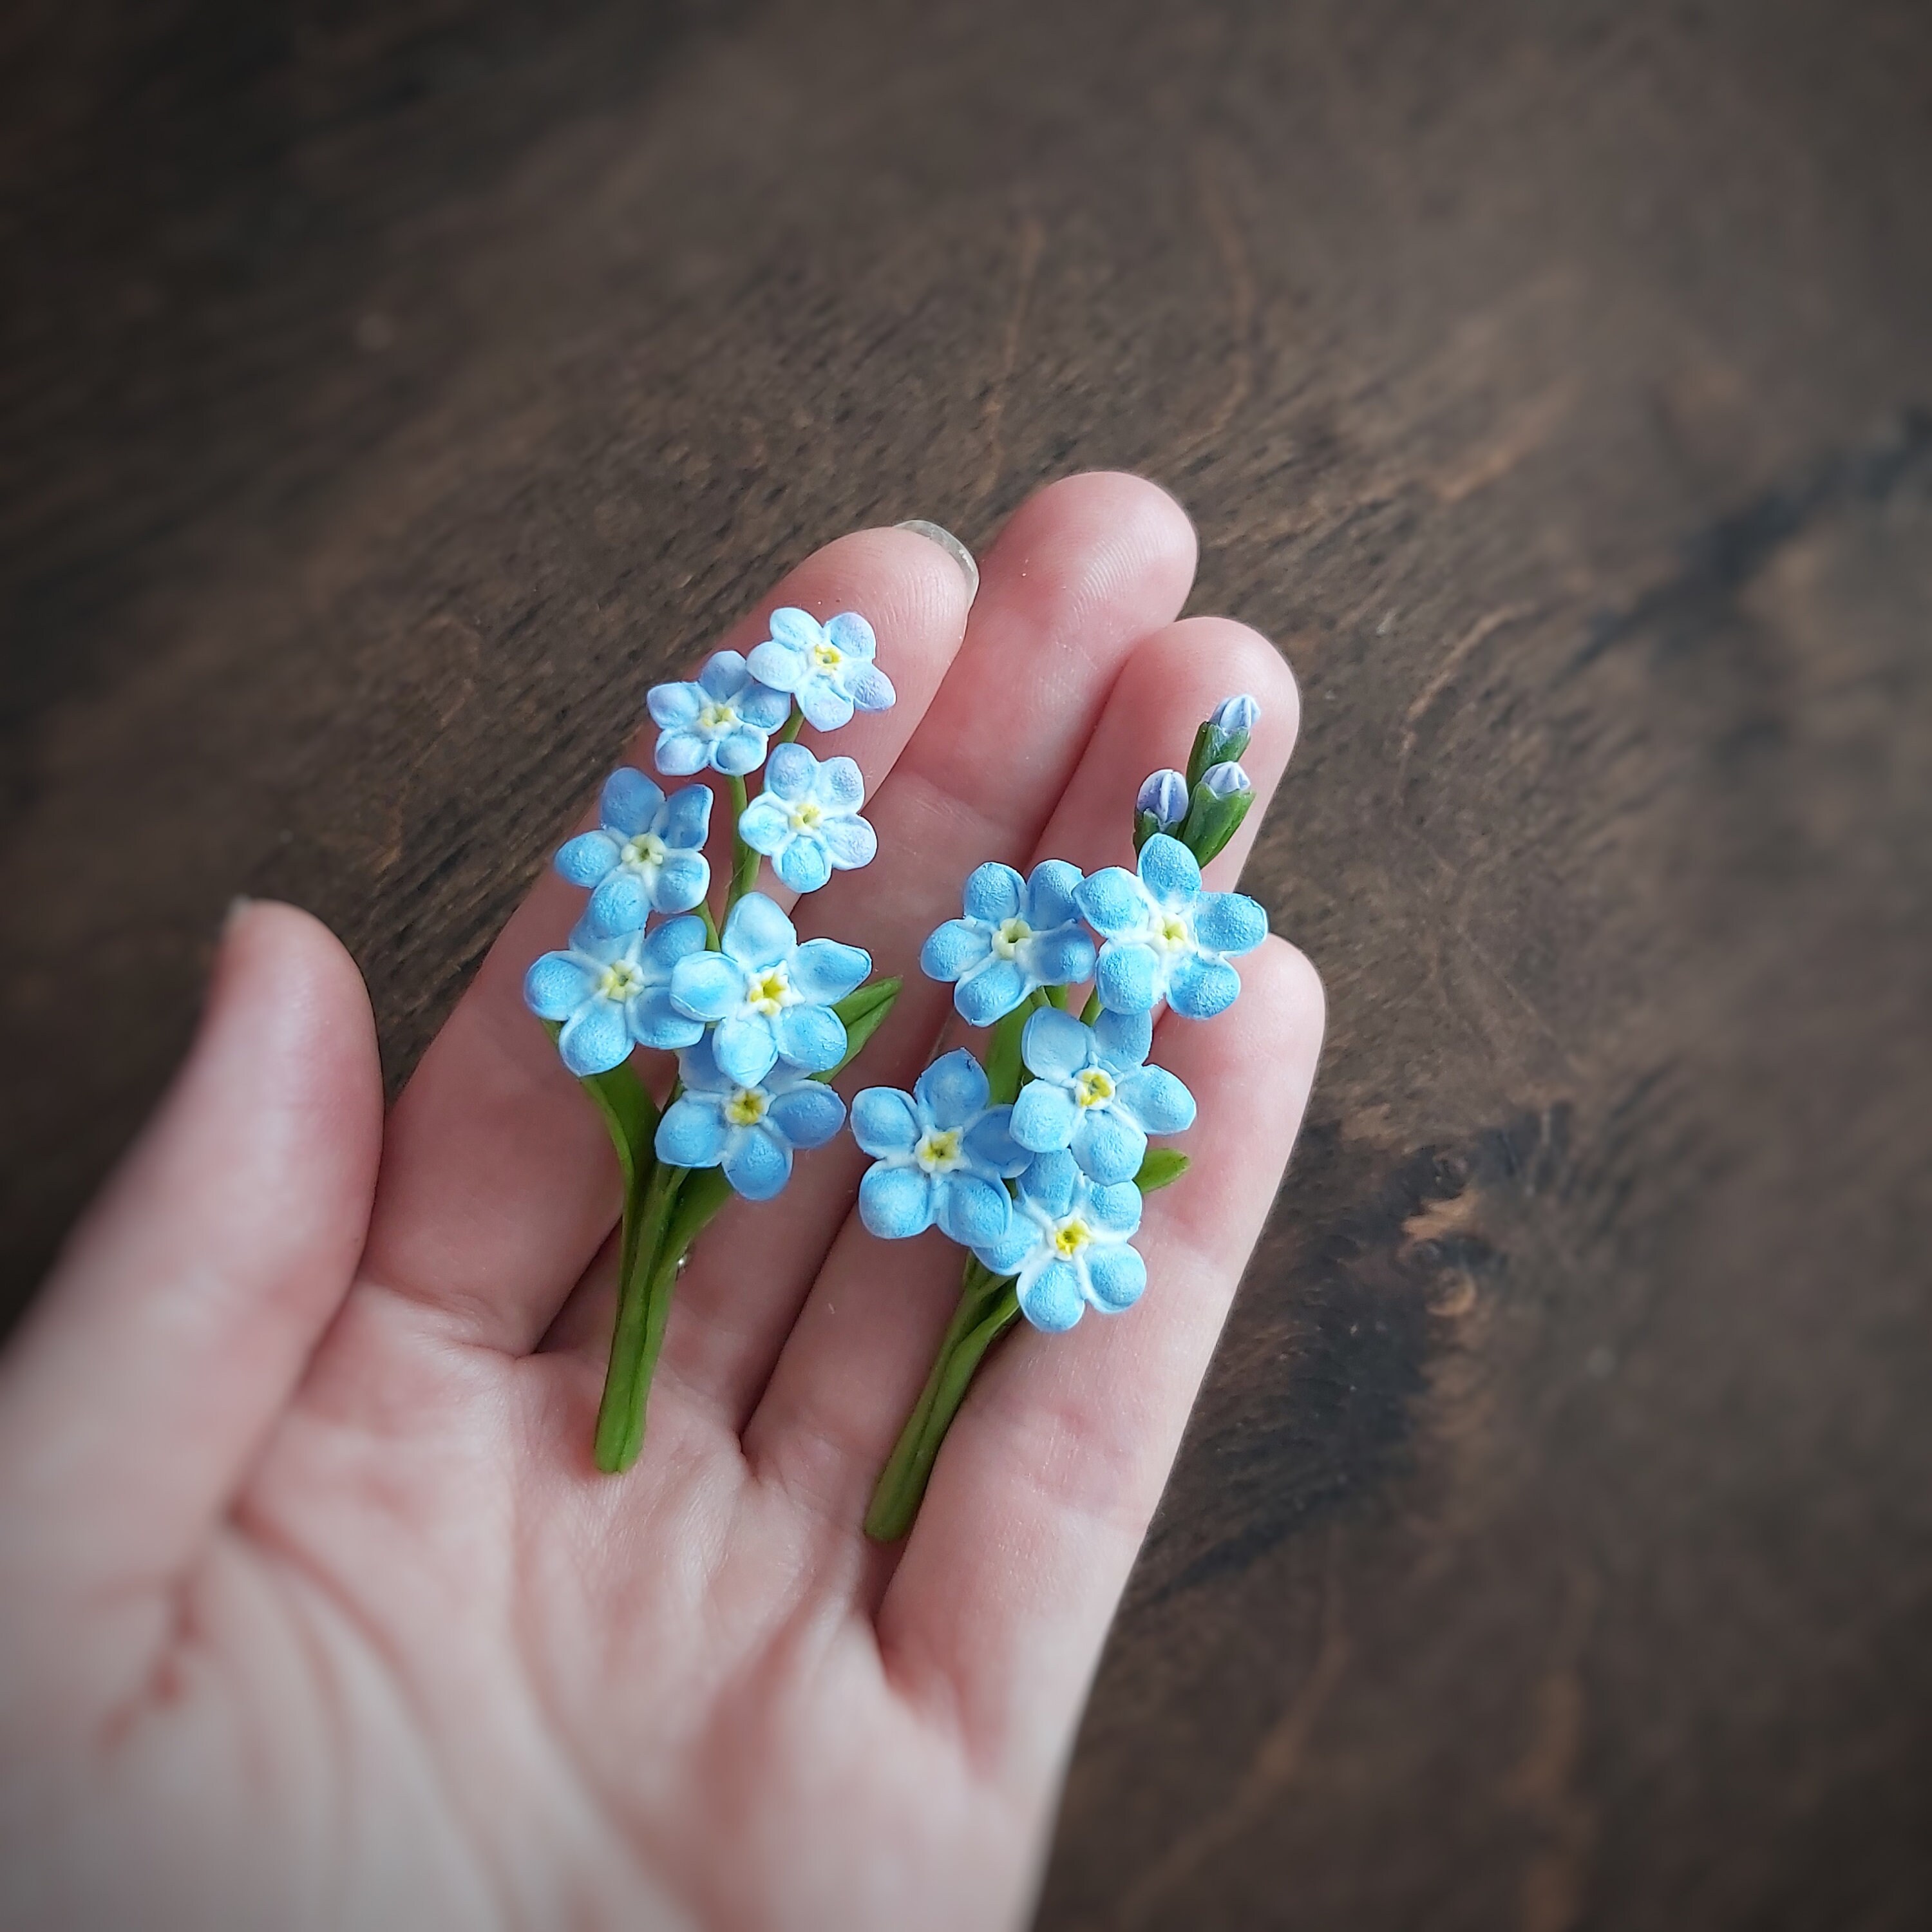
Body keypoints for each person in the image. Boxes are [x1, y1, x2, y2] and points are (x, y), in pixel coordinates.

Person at [0, 474, 1321, 1929]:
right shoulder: (729, 895)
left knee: (807, 1157)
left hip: (900, 1113)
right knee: (706, 1138)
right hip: (754, 1066)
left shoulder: (1074, 985)